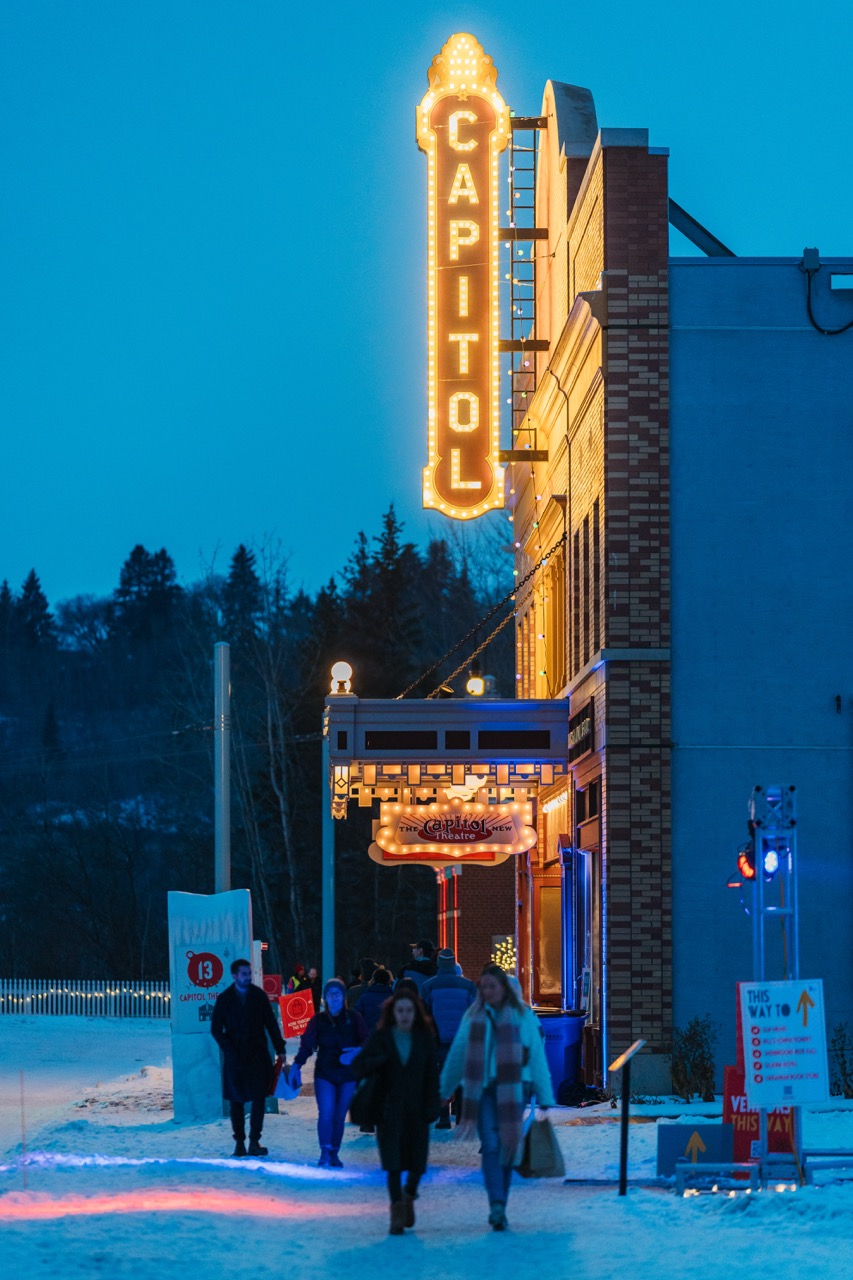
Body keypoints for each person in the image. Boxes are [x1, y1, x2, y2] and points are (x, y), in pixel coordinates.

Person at [440, 963, 555, 1231]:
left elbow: (536, 1054)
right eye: (485, 986)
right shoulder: (473, 1016)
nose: (488, 991)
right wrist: (444, 1090)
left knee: (506, 1146)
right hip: (482, 1090)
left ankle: (500, 1200)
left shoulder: (522, 1016)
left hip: (514, 1089)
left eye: (493, 986)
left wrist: (545, 1093)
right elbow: (458, 1054)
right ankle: (497, 1203)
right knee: (491, 1145)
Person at [353, 987, 440, 1235]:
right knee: (393, 1163)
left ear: (416, 1013)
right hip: (388, 1109)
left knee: (417, 1164)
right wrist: (379, 1062)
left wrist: (432, 1104)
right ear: (393, 1012)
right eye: (400, 1010)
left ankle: (409, 1194)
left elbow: (431, 1075)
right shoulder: (381, 1037)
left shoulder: (424, 1038)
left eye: (409, 1010)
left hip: (417, 1109)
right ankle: (396, 1211)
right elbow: (359, 1065)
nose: (404, 1015)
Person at [211, 957, 286, 1158]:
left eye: (249, 973)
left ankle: (254, 1140)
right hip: (235, 1056)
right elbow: (216, 1029)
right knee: (236, 1101)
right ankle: (239, 1142)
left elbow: (271, 1023)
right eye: (244, 974)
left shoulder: (258, 996)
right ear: (234, 975)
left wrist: (280, 1048)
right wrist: (228, 1048)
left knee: (259, 1099)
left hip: (257, 1054)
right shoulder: (225, 999)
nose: (248, 977)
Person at [289, 978, 368, 1167]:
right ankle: (325, 1151)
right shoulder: (318, 1020)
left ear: (343, 996)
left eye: (337, 993)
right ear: (325, 997)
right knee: (326, 1113)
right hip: (325, 1073)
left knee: (339, 1116)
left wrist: (356, 1052)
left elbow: (367, 1040)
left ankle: (334, 1153)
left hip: (347, 1074)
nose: (334, 997)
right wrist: (297, 1065)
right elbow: (307, 1045)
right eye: (330, 994)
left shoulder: (354, 1018)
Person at [421, 948, 477, 1128]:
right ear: (454, 964)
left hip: (438, 1040)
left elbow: (423, 1013)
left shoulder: (428, 986)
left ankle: (444, 1117)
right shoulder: (468, 986)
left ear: (438, 964)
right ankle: (460, 1115)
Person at [355, 966, 393, 1033]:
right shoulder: (393, 998)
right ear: (388, 980)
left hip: (368, 1035)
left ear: (373, 980)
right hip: (388, 1036)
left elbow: (356, 1017)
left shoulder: (364, 998)